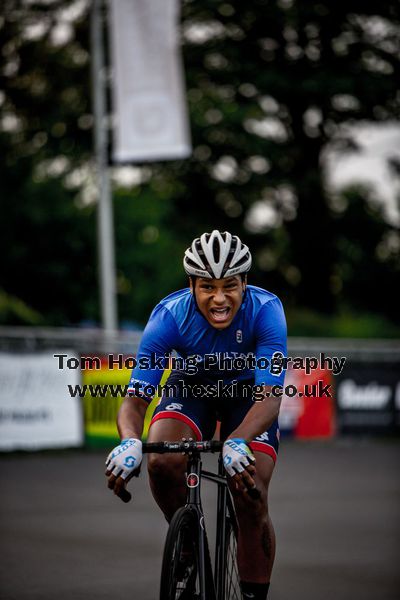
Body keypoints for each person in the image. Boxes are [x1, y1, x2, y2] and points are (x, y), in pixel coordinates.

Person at [105, 230, 287, 600]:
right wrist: (129, 440)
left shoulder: (267, 311)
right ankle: (187, 543)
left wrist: (238, 439)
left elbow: (269, 398)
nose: (219, 298)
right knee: (160, 459)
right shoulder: (168, 317)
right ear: (191, 285)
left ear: (245, 283)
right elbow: (135, 400)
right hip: (192, 388)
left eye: (230, 286)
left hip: (248, 394)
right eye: (207, 287)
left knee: (252, 493)